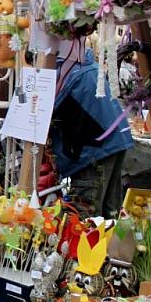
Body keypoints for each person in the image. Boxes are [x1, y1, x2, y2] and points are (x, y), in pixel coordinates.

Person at [51, 41, 134, 218]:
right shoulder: (83, 66)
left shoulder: (65, 72)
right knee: (109, 209)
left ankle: (93, 244)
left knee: (86, 213)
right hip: (113, 140)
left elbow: (45, 113)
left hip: (94, 148)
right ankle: (108, 243)